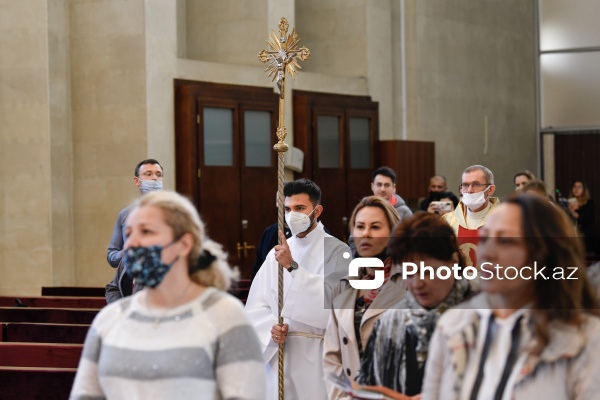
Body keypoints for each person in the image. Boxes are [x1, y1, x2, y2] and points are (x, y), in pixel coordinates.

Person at [71, 191, 266, 399]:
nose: (132, 243)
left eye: (146, 231)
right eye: (128, 234)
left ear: (184, 244)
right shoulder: (109, 319)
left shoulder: (225, 315)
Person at [422, 194, 600, 399]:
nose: (487, 253)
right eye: (485, 238)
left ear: (544, 255)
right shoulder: (453, 325)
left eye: (506, 241)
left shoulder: (586, 338)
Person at [245, 179, 350, 400]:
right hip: (278, 353)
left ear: (317, 210)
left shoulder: (337, 250)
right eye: (287, 209)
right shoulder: (279, 251)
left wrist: (292, 267)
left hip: (316, 357)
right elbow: (257, 305)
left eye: (300, 208)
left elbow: (333, 306)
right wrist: (270, 330)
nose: (292, 215)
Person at [323, 196, 403, 399]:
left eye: (375, 227)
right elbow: (332, 358)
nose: (365, 233)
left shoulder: (412, 282)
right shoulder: (344, 285)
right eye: (359, 226)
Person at [105, 159, 164, 303]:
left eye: (158, 174)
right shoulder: (126, 215)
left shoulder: (175, 213)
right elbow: (112, 257)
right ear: (137, 181)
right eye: (148, 174)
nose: (154, 178)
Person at [441, 164, 500, 268]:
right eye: (465, 185)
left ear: (490, 190)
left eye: (476, 184)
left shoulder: (504, 221)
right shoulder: (448, 221)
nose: (469, 190)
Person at [568, 181, 597, 254]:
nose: (576, 189)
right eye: (574, 186)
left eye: (579, 187)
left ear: (584, 190)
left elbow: (588, 218)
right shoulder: (569, 203)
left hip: (586, 236)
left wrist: (576, 214)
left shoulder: (589, 202)